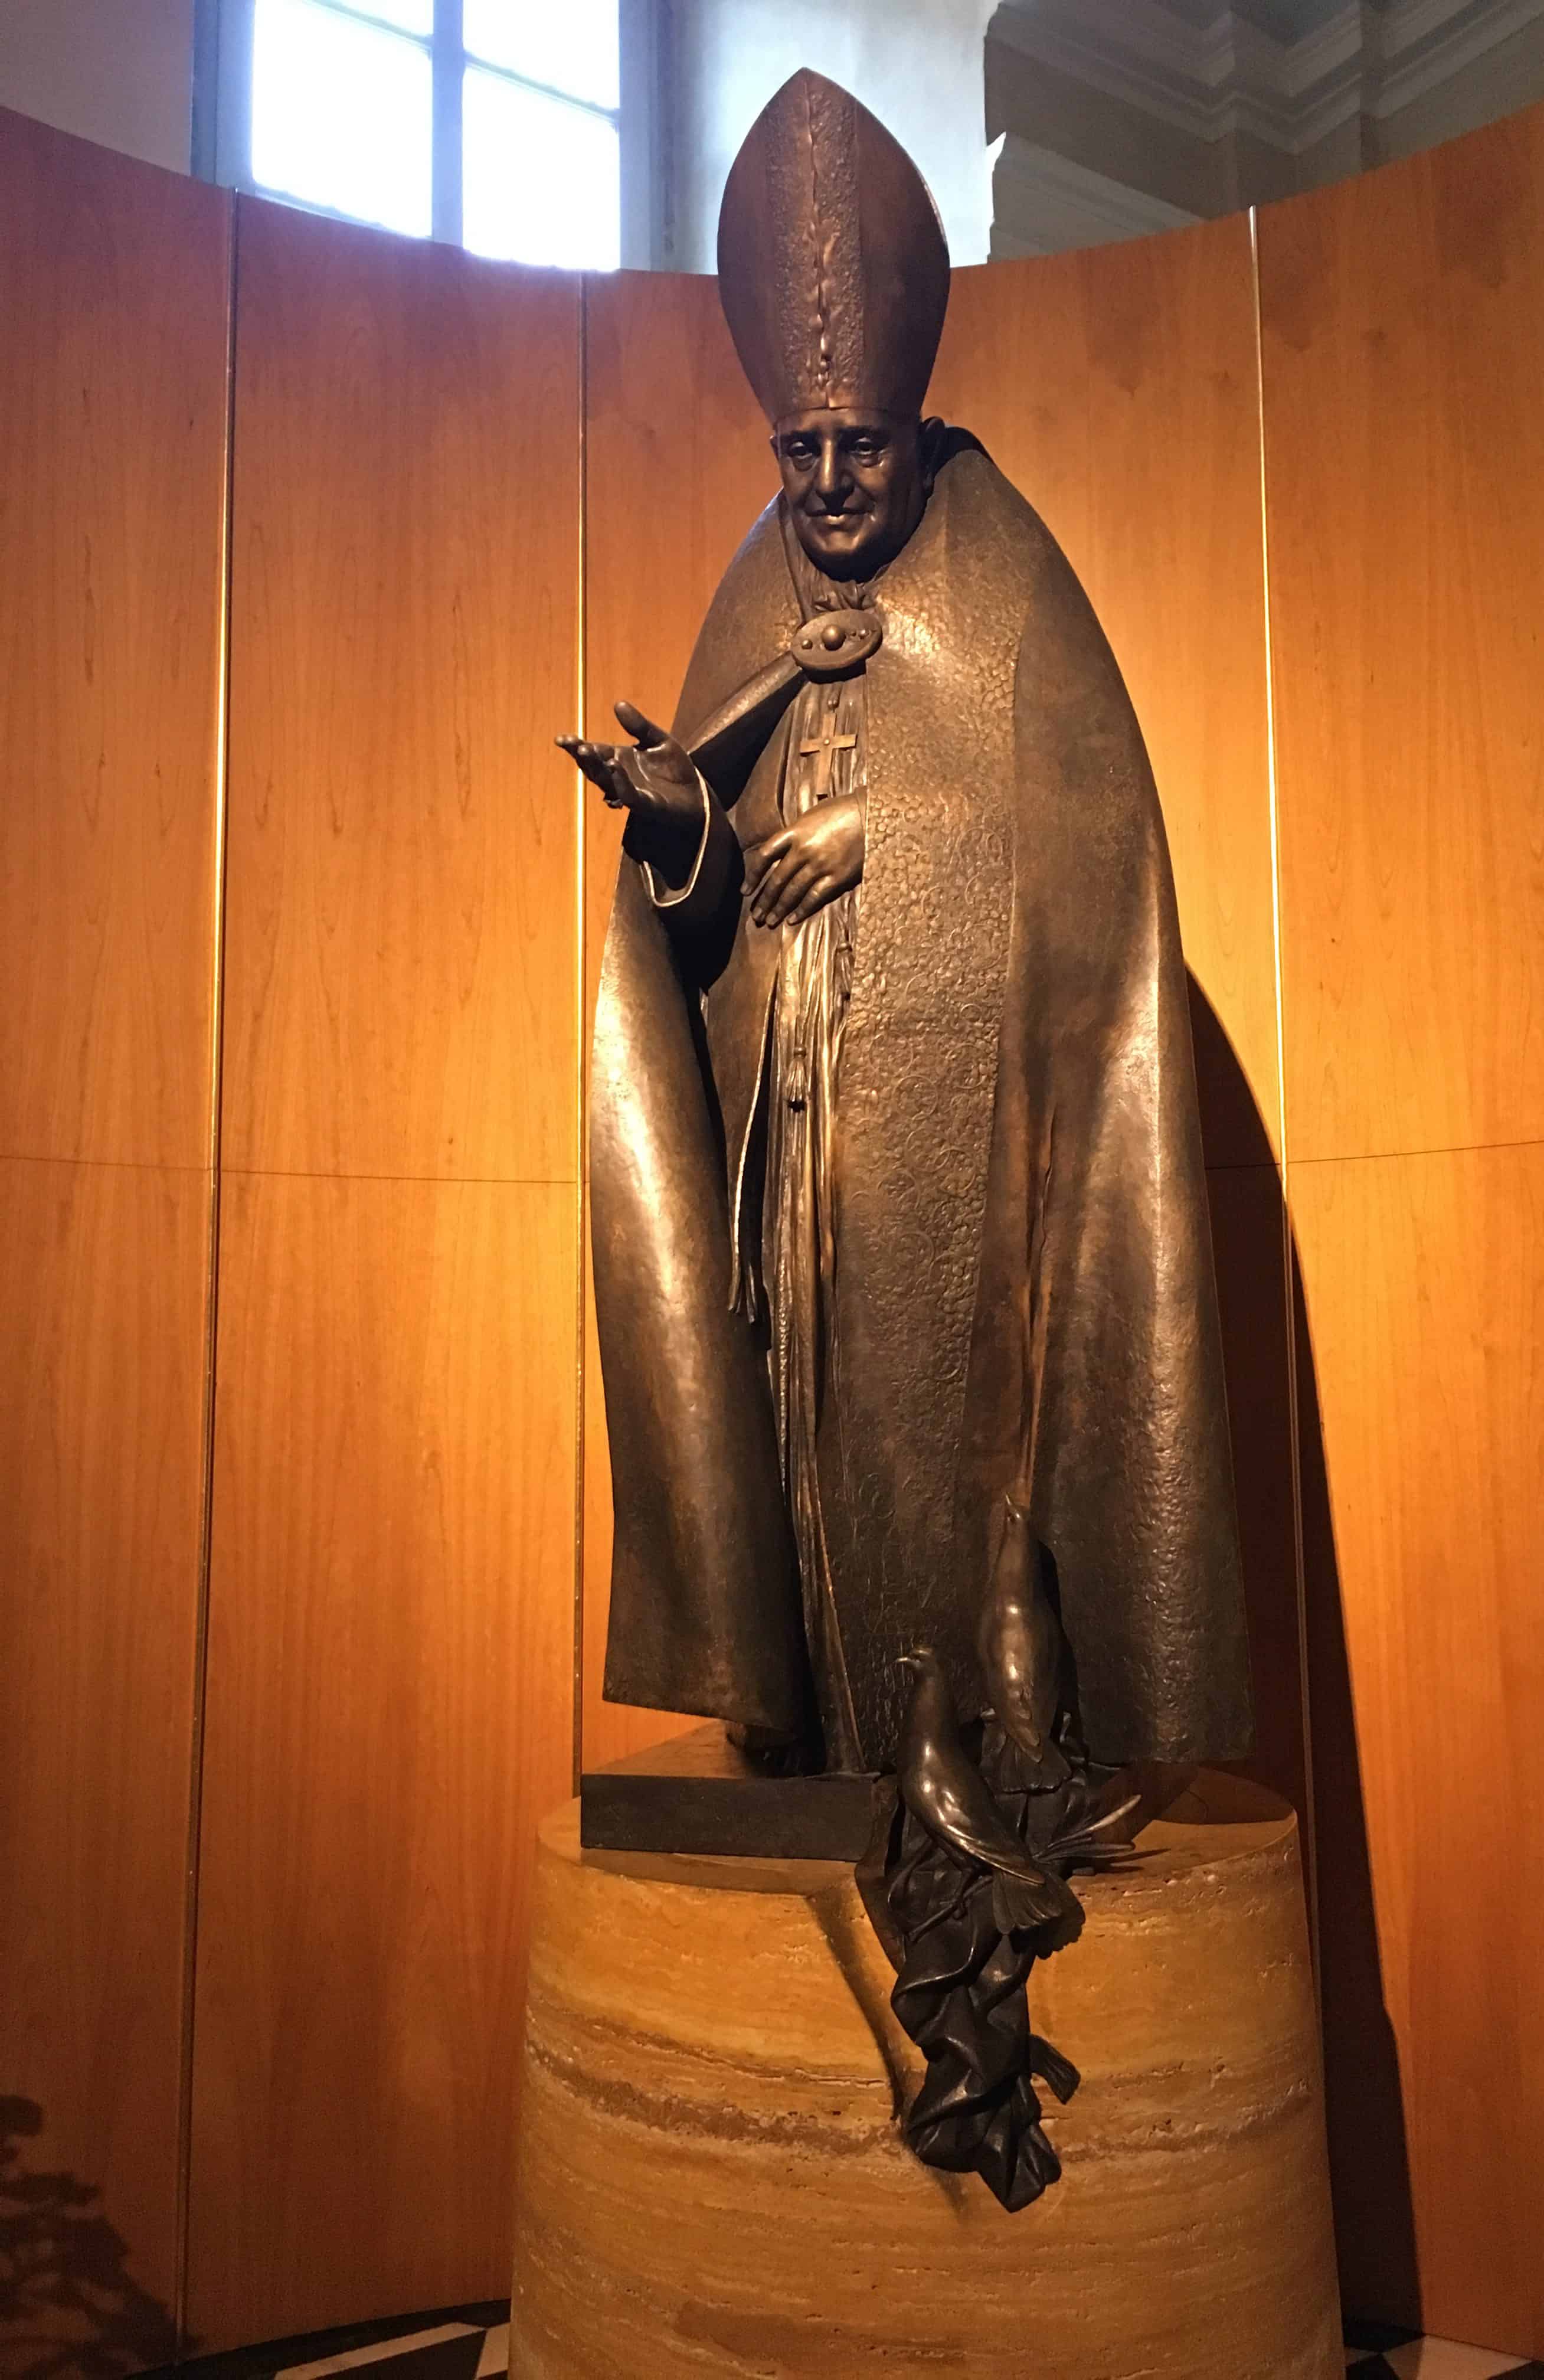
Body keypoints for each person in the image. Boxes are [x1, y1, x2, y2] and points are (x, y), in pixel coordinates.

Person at [562, 70, 1251, 1779]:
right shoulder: (757, 579)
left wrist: (896, 825)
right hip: (795, 1175)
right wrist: (683, 828)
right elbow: (709, 916)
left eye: (858, 445)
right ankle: (820, 1746)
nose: (829, 481)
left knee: (964, 1477)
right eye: (799, 452)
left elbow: (1098, 859)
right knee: (805, 1458)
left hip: (974, 1160)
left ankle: (986, 1759)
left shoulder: (1009, 575)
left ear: (911, 423)